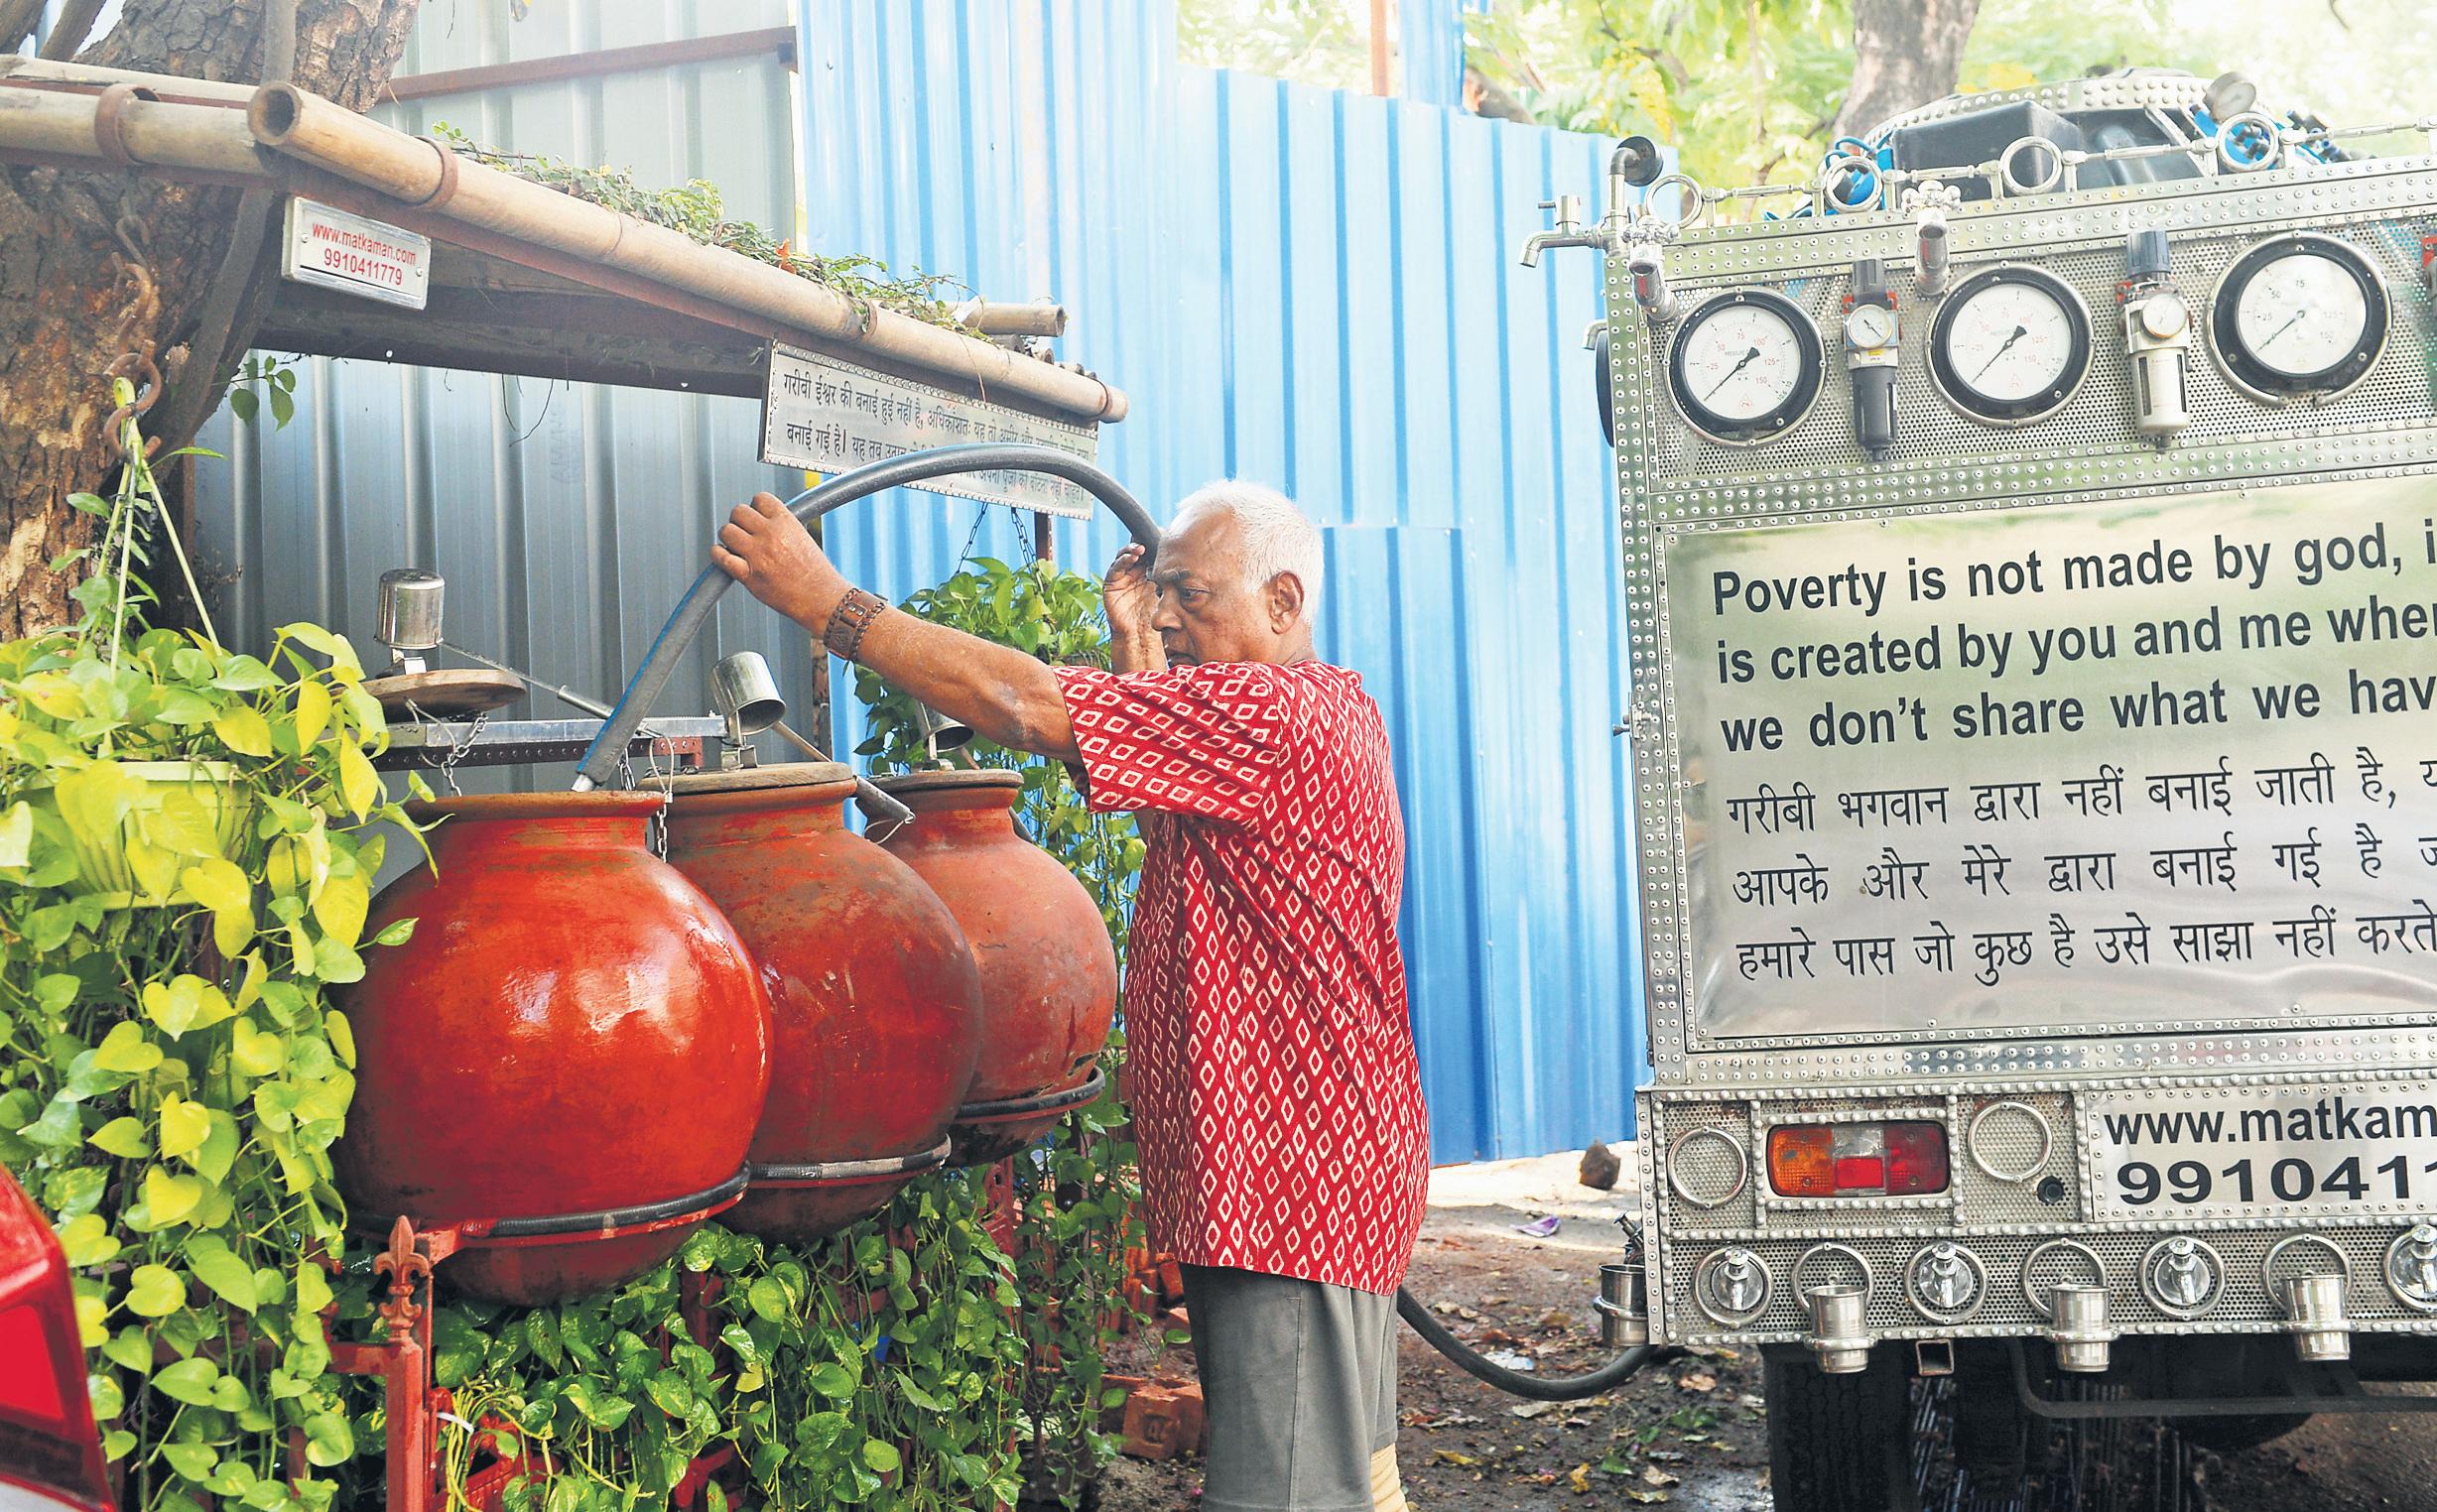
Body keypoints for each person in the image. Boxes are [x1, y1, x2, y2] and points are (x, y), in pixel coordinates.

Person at [712, 479, 1431, 1512]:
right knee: (1345, 1478)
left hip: (1290, 1189)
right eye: (1162, 593)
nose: (1170, 613)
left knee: (1287, 1493)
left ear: (1281, 603)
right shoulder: (1312, 707)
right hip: (1312, 1171)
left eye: (1192, 595)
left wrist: (830, 605)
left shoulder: (1266, 714)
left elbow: (1026, 704)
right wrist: (1139, 645)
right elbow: (1163, 794)